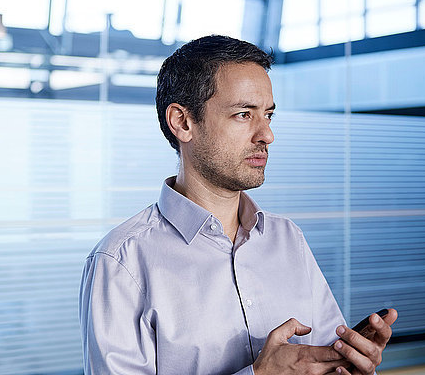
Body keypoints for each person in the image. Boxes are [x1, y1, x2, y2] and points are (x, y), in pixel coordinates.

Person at [79, 35, 397, 375]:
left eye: (268, 115)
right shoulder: (121, 261)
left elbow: (318, 361)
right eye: (244, 114)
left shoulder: (287, 238)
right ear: (182, 122)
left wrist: (346, 364)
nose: (266, 135)